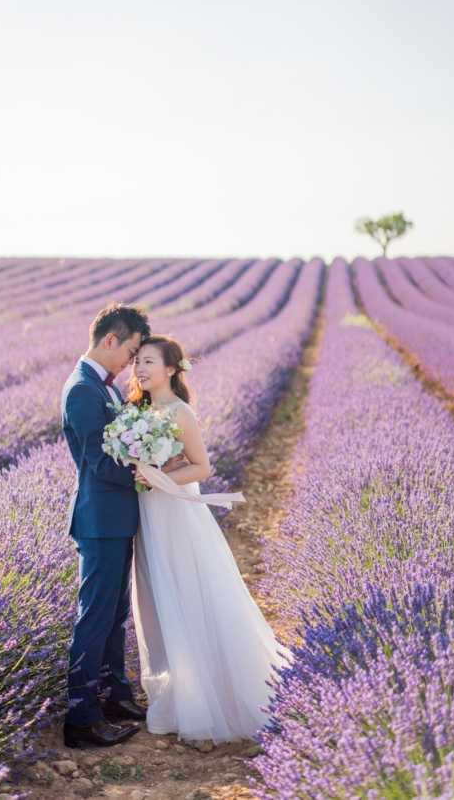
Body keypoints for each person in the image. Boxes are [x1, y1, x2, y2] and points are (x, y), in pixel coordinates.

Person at [128, 334, 293, 743]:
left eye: (149, 362)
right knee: (158, 601)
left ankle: (211, 700)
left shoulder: (180, 412)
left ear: (171, 369)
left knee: (189, 592)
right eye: (137, 362)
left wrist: (158, 478)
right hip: (149, 514)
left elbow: (201, 468)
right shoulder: (136, 412)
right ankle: (178, 693)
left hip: (177, 513)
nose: (141, 369)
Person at [61, 304, 185, 749]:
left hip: (116, 518)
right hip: (100, 521)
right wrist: (147, 473)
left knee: (113, 615)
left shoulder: (103, 388)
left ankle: (113, 696)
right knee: (94, 618)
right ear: (110, 340)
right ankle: (81, 718)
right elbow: (98, 463)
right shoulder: (82, 390)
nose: (132, 362)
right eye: (131, 351)